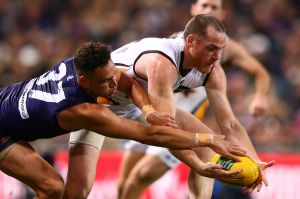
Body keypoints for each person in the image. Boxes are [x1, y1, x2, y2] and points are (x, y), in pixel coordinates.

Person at [0, 41, 243, 199]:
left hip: (7, 106)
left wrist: (147, 109)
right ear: (84, 82)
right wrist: (209, 140)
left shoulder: (87, 67)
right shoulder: (83, 111)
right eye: (106, 82)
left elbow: (129, 83)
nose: (114, 84)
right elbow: (151, 135)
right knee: (52, 187)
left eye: (112, 74)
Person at [66, 15, 274, 199]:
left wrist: (255, 160)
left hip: (139, 106)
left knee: (209, 146)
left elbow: (229, 124)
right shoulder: (162, 63)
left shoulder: (213, 71)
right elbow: (166, 134)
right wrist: (198, 166)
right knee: (79, 191)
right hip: (95, 106)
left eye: (220, 50)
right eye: (210, 49)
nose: (216, 57)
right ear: (190, 41)